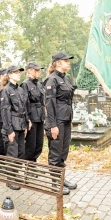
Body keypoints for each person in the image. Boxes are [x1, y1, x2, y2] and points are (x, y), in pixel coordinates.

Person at [44, 52, 76, 195]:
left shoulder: (65, 79)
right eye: (65, 61)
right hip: (57, 121)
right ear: (57, 63)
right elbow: (49, 105)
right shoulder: (52, 80)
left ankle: (61, 178)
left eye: (68, 61)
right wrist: (53, 125)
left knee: (64, 151)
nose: (68, 63)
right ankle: (55, 183)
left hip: (66, 119)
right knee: (55, 152)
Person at [0, 65, 30, 190]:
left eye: (19, 72)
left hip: (21, 124)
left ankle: (16, 174)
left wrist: (26, 123)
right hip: (12, 124)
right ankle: (10, 178)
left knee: (21, 152)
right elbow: (5, 111)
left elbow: (25, 108)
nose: (19, 74)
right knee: (12, 153)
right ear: (9, 75)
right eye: (16, 73)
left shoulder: (21, 90)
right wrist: (9, 130)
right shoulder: (5, 90)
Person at [21, 61, 45, 162]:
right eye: (36, 70)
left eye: (39, 70)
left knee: (39, 144)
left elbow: (42, 101)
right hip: (31, 117)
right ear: (30, 71)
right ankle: (28, 166)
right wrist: (27, 120)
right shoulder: (25, 84)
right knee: (31, 144)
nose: (39, 72)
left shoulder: (39, 84)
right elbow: (24, 103)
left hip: (40, 116)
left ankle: (33, 163)